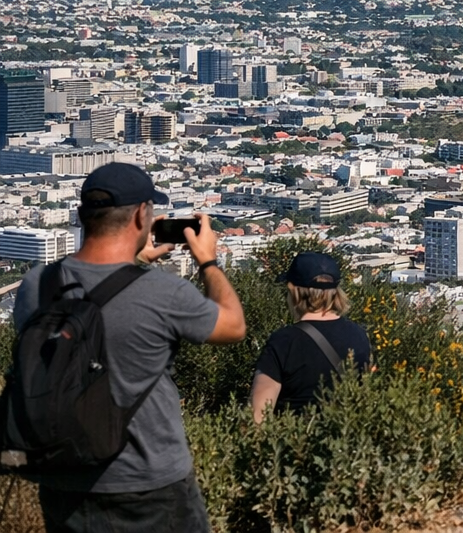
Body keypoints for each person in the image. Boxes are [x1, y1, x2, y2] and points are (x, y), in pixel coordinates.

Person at [11, 162, 246, 533]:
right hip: (148, 482)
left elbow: (97, 296)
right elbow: (233, 325)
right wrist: (208, 260)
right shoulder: (163, 293)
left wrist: (131, 262)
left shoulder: (36, 285)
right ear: (142, 215)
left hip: (62, 480)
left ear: (80, 216)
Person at [250, 251, 372, 421]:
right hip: (345, 443)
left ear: (294, 291)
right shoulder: (359, 335)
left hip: (295, 442)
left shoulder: (284, 342)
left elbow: (258, 415)